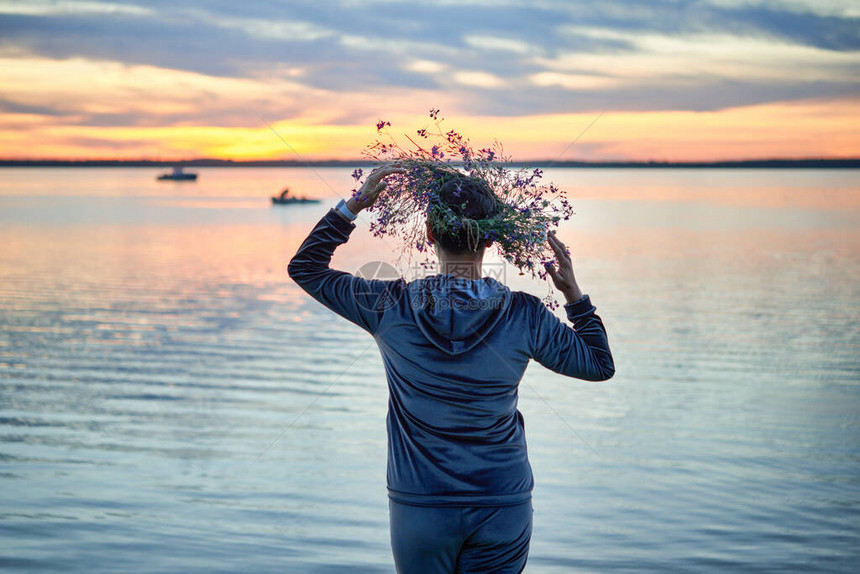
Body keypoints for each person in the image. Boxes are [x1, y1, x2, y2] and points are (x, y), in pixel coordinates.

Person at [288, 164, 614, 574]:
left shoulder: (389, 305)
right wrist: (574, 295)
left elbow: (305, 269)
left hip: (421, 506)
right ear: (493, 238)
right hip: (502, 503)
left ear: (429, 236)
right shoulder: (524, 314)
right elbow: (599, 364)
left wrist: (352, 207)